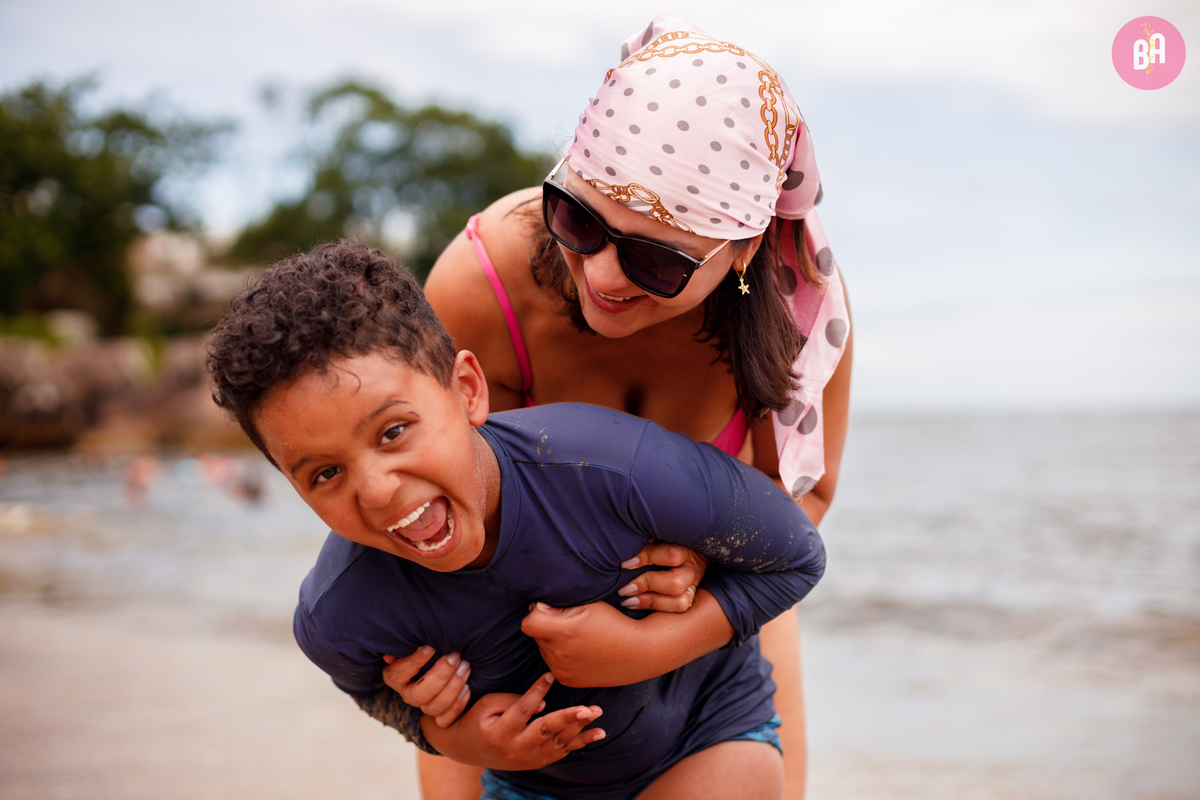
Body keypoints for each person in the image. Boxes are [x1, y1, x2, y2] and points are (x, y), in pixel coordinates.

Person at [411, 13, 852, 799]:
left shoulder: (803, 322)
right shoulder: (483, 286)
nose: (606, 276)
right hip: (503, 639)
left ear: (743, 248)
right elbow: (445, 508)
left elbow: (805, 497)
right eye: (579, 219)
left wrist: (703, 583)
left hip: (716, 645)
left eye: (657, 258)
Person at [204, 241, 826, 799]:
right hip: (537, 787)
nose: (375, 489)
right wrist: (460, 739)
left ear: (468, 390)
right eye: (324, 474)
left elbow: (797, 555)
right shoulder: (340, 614)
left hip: (706, 732)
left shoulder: (611, 465)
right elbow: (368, 690)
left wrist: (646, 649)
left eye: (394, 431)